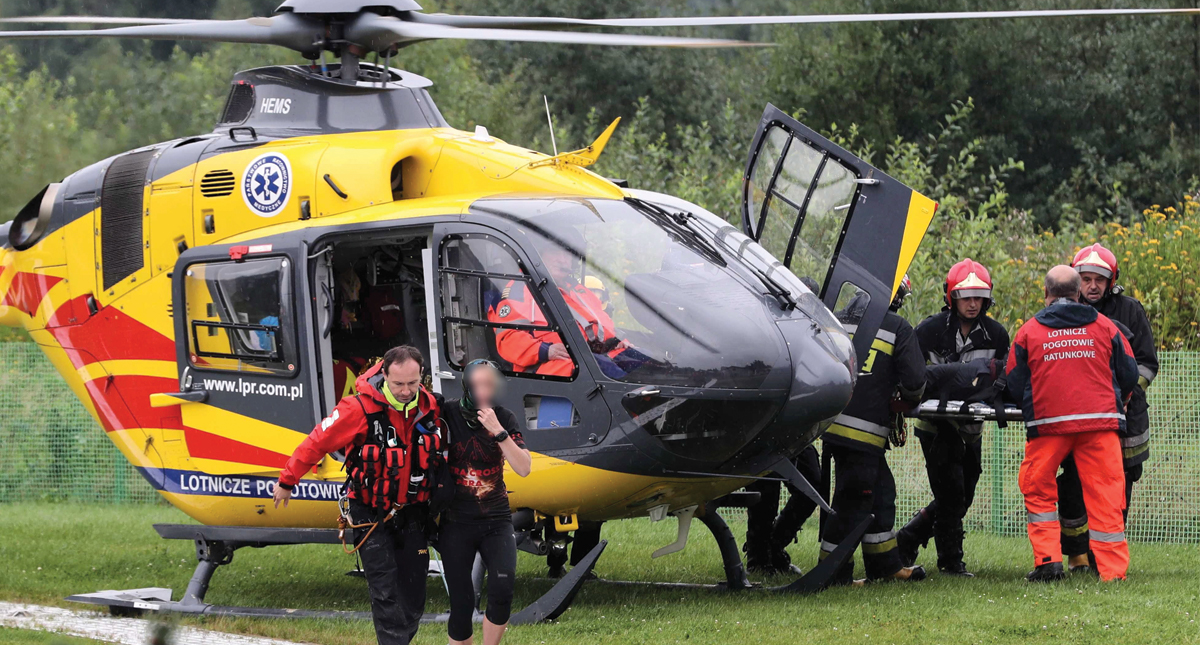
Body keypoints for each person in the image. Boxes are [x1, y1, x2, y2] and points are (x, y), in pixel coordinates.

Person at [274, 346, 443, 645]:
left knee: (414, 594)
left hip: (412, 512)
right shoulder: (356, 409)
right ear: (384, 375)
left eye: (413, 383)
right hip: (369, 511)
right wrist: (288, 480)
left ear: (422, 377)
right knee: (385, 589)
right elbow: (317, 442)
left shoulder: (430, 406)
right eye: (398, 384)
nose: (406, 391)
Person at [1006, 266, 1137, 582]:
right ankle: (1112, 572)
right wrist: (1117, 400)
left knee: (1038, 488)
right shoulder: (1106, 326)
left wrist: (1035, 405)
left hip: (1048, 425)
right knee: (1106, 494)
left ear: (1046, 293)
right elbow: (1129, 372)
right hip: (1100, 424)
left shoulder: (1028, 332)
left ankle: (1048, 562)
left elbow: (1014, 381)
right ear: (1079, 293)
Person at [898, 259, 1010, 577]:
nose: (973, 303)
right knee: (951, 492)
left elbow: (1004, 377)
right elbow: (911, 374)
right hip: (934, 426)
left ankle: (909, 537)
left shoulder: (997, 335)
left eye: (979, 297)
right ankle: (950, 561)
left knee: (965, 494)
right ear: (952, 296)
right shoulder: (928, 331)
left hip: (971, 428)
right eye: (966, 296)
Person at [820, 275, 928, 585]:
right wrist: (903, 401)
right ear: (897, 297)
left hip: (832, 426)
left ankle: (885, 566)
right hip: (864, 433)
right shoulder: (898, 327)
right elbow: (915, 382)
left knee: (881, 493)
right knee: (853, 501)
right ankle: (832, 573)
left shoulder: (834, 320)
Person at [1057, 243, 1158, 574]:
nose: (1092, 286)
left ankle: (1106, 555)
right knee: (1073, 483)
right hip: (1080, 417)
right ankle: (1078, 556)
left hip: (1125, 418)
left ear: (1111, 281)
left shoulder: (1130, 311)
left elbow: (1147, 363)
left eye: (1099, 279)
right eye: (1085, 279)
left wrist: (1125, 393)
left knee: (1118, 486)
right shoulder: (1064, 311)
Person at [439, 359, 531, 645]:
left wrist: (498, 431)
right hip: (457, 522)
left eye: (489, 385)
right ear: (466, 385)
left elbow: (524, 468)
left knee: (502, 590)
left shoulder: (504, 417)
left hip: (496, 520)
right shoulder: (448, 412)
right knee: (462, 604)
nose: (483, 392)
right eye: (477, 385)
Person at [489, 227, 644, 379]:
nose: (562, 259)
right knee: (619, 380)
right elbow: (508, 339)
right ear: (538, 254)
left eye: (567, 254)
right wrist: (546, 350)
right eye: (555, 252)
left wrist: (617, 341)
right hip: (551, 365)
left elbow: (603, 324)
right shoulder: (518, 290)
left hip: (591, 356)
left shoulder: (578, 290)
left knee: (647, 365)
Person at [742, 445, 821, 575]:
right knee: (764, 496)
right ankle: (758, 559)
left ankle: (774, 546)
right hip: (760, 441)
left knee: (810, 489)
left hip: (797, 438)